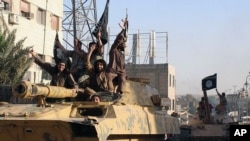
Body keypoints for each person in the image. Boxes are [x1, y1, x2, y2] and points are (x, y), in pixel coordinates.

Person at [106, 18, 128, 94]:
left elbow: (123, 67)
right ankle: (110, 92)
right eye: (124, 44)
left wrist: (126, 27)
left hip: (120, 72)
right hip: (112, 71)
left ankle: (120, 93)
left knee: (122, 80)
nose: (125, 45)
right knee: (108, 77)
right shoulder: (113, 50)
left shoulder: (122, 55)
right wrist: (123, 30)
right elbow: (117, 41)